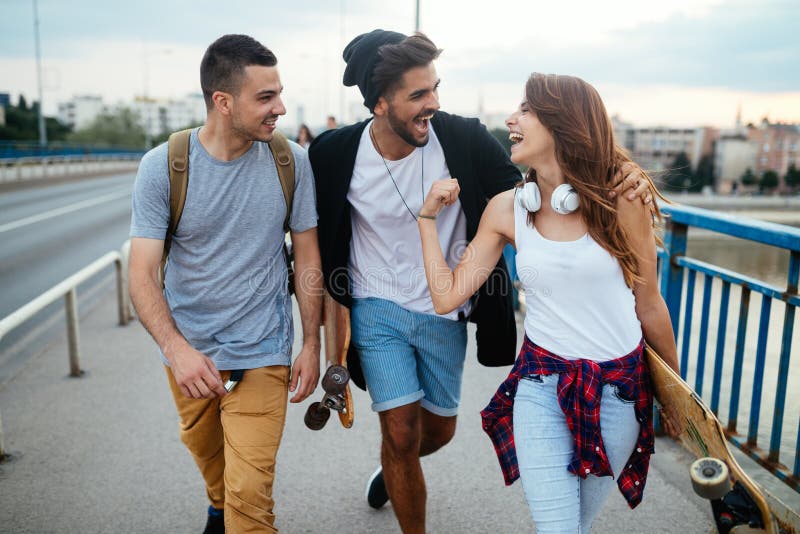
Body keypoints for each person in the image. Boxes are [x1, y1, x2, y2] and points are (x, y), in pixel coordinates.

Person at [309, 31, 650, 533]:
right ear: (380, 103)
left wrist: (623, 172)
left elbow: (549, 180)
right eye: (419, 95)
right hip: (375, 308)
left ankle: (395, 464)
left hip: (445, 310)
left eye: (436, 89)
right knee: (401, 431)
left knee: (439, 431)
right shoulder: (334, 153)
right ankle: (401, 467)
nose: (434, 104)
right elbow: (308, 232)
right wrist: (317, 333)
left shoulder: (462, 139)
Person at [415, 72, 681, 533]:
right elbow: (446, 297)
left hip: (619, 394)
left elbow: (650, 302)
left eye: (526, 110)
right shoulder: (508, 208)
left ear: (563, 124)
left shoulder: (621, 201)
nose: (510, 119)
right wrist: (426, 219)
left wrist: (676, 397)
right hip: (541, 389)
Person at [128, 34, 322, 533]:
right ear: (223, 101)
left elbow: (307, 256)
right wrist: (177, 349)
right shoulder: (164, 167)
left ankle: (232, 509)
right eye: (265, 97)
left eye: (279, 93)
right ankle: (218, 501)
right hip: (190, 352)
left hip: (263, 347)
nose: (280, 107)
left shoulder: (290, 162)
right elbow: (143, 273)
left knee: (251, 496)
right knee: (206, 452)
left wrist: (312, 343)